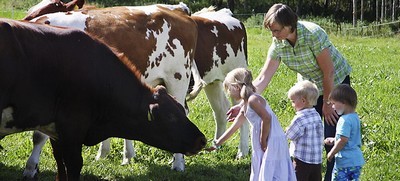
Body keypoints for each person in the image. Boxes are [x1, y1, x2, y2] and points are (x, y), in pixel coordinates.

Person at [226, 3, 352, 180]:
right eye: (271, 30)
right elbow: (263, 78)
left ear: (289, 25)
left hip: (335, 85)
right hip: (309, 90)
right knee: (307, 135)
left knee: (332, 136)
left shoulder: (312, 34)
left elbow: (328, 72)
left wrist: (327, 103)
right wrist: (243, 103)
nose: (273, 35)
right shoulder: (278, 44)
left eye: (276, 30)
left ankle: (333, 176)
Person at [207, 68, 296, 181]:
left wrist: (263, 139)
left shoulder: (253, 100)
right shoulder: (245, 103)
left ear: (237, 87)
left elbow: (267, 118)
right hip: (264, 139)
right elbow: (235, 126)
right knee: (263, 169)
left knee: (272, 170)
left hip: (271, 138)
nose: (228, 93)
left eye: (229, 89)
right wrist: (217, 143)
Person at [324, 84, 364, 181]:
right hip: (356, 160)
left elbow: (343, 140)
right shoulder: (355, 117)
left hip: (345, 162)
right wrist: (334, 140)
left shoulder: (344, 120)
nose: (332, 107)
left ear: (343, 102)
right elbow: (349, 137)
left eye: (333, 103)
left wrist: (331, 153)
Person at [286, 80, 324, 181]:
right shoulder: (317, 115)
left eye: (293, 102)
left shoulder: (300, 119)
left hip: (302, 159)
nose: (292, 105)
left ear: (303, 101)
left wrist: (286, 130)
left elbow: (290, 135)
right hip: (317, 159)